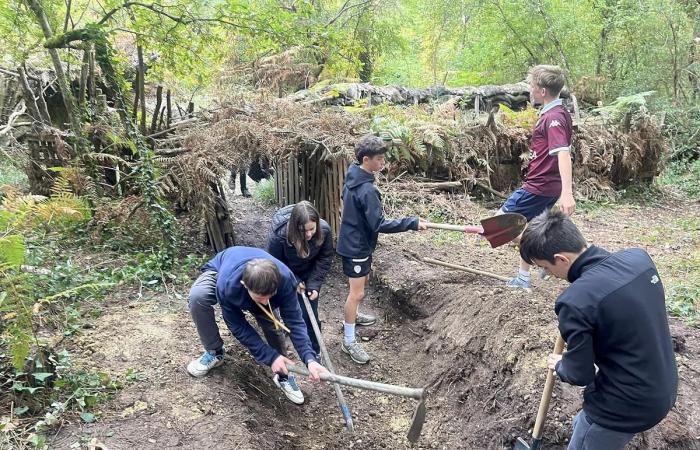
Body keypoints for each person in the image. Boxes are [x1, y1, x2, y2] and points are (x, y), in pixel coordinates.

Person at [519, 210, 678, 450]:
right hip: (663, 387)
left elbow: (579, 374)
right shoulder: (639, 260)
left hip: (621, 408)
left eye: (545, 268)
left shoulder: (576, 301)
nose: (549, 275)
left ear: (561, 259)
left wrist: (560, 364)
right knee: (581, 424)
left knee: (586, 437)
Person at [186, 247, 328, 405]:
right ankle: (214, 352)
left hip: (259, 284)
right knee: (198, 297)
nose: (266, 302)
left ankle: (283, 374)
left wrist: (310, 359)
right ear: (245, 285)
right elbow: (238, 326)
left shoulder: (285, 279)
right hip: (220, 270)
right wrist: (270, 357)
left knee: (273, 323)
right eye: (261, 297)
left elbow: (295, 321)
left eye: (270, 296)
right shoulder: (227, 285)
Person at [336, 135, 427, 364]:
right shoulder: (366, 190)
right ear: (366, 160)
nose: (383, 163)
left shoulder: (353, 177)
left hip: (357, 242)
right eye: (379, 159)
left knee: (362, 285)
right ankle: (348, 341)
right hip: (356, 247)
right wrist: (411, 223)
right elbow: (379, 224)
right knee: (356, 293)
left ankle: (353, 316)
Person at [500, 64, 576, 290]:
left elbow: (563, 152)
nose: (530, 89)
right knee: (531, 227)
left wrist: (567, 193)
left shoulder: (554, 118)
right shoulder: (556, 113)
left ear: (543, 91)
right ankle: (524, 276)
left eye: (532, 85)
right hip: (544, 185)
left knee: (500, 225)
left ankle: (545, 260)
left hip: (539, 186)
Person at [267, 201, 333, 357]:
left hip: (310, 274)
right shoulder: (280, 236)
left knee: (310, 314)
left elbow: (325, 258)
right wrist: (294, 280)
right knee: (294, 312)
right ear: (295, 227)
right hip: (285, 274)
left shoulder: (324, 230)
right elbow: (275, 263)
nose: (309, 234)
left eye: (312, 229)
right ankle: (292, 336)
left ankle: (314, 352)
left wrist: (314, 284)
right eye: (304, 231)